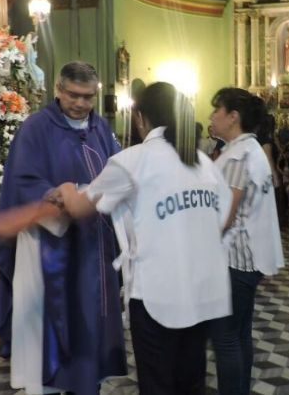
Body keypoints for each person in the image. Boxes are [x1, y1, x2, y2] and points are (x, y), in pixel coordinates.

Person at [53, 82, 233, 395]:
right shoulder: (203, 162)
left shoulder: (133, 160)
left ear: (139, 118)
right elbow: (223, 218)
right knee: (191, 382)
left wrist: (67, 188)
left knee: (158, 384)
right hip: (205, 291)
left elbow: (79, 207)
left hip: (158, 295)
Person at [0, 61, 127, 395]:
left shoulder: (101, 128)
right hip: (50, 245)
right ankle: (53, 382)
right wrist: (61, 198)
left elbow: (118, 170)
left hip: (94, 243)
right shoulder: (36, 128)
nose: (80, 104)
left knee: (90, 314)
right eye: (73, 95)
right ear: (58, 90)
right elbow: (22, 181)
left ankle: (87, 378)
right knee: (55, 323)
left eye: (88, 97)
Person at [209, 87, 285, 395]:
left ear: (232, 117)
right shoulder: (251, 149)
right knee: (240, 334)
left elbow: (225, 216)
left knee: (226, 337)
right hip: (249, 257)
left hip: (235, 258)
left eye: (217, 111)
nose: (212, 117)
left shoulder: (238, 155)